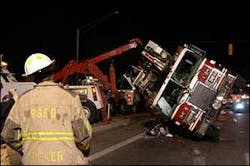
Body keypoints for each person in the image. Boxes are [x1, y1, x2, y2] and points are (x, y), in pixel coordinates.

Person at [1, 53, 92, 165]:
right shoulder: (70, 98)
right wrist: (83, 152)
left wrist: (24, 148)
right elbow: (84, 136)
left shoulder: (22, 100)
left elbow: (8, 134)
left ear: (31, 77)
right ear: (53, 73)